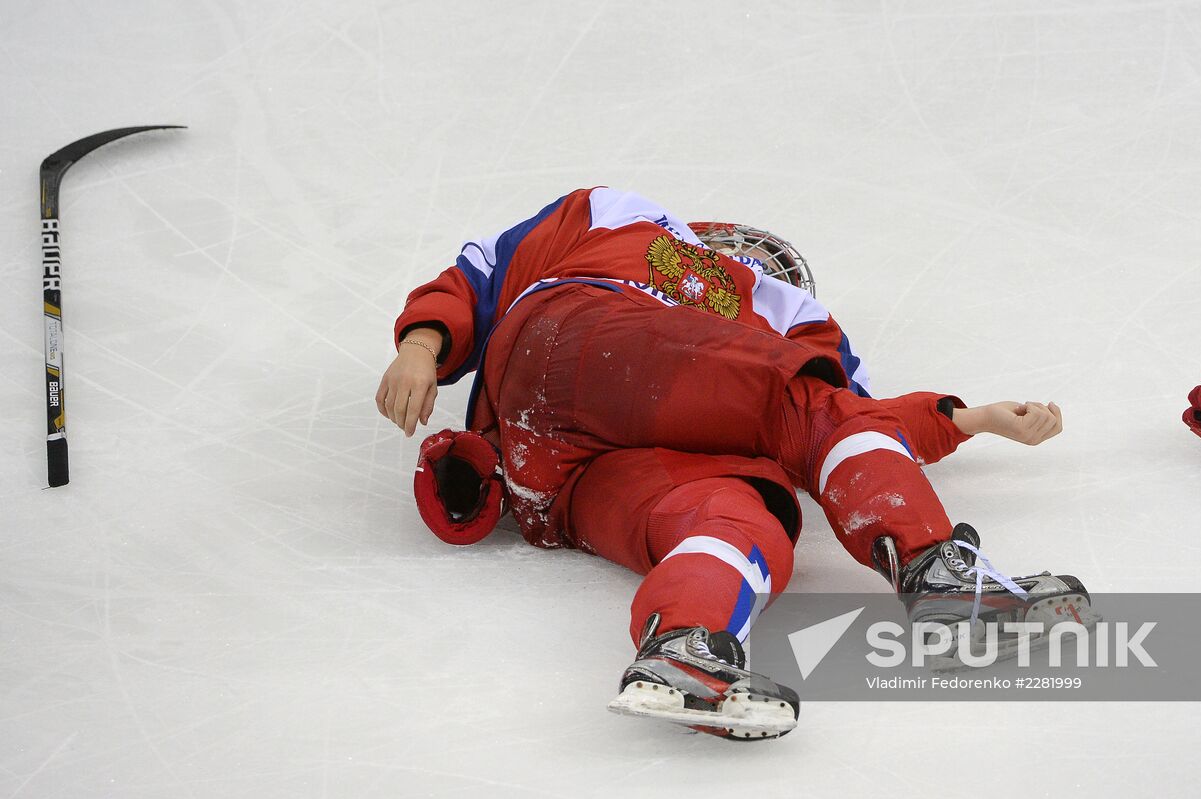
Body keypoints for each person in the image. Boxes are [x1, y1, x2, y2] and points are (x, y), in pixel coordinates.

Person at [376, 187, 1092, 740]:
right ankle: (941, 574)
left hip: (551, 479)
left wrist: (974, 419)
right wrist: (421, 345)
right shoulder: (632, 222)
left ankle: (685, 647)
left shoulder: (774, 320)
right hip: (576, 335)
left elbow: (860, 419)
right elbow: (481, 273)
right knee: (799, 398)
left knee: (749, 514)